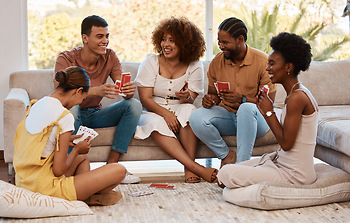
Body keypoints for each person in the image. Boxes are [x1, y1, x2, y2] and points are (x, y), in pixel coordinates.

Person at [13, 66, 126, 205]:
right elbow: (58, 170)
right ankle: (83, 198)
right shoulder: (64, 116)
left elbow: (41, 142)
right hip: (44, 187)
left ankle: (83, 195)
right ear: (78, 91)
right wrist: (77, 149)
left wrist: (67, 141)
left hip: (25, 181)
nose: (80, 103)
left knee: (82, 160)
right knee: (119, 170)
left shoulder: (37, 104)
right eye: (83, 98)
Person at [217, 32, 318, 188]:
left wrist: (268, 112)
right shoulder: (294, 93)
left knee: (226, 174)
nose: (267, 68)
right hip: (282, 164)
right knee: (226, 173)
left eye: (272, 64)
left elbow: (286, 144)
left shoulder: (297, 97)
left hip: (294, 174)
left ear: (288, 67)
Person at [54, 15, 142, 184]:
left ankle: (112, 166)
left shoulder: (109, 56)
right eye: (100, 36)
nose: (105, 41)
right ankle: (69, 170)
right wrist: (94, 91)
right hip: (74, 112)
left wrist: (128, 91)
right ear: (85, 38)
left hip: (96, 114)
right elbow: (62, 93)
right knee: (72, 110)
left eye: (107, 36)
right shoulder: (66, 59)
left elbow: (123, 89)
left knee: (134, 105)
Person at [134, 17, 218, 183]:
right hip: (152, 108)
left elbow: (191, 100)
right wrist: (167, 114)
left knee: (190, 112)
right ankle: (195, 167)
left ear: (185, 43)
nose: (166, 44)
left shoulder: (195, 65)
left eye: (172, 40)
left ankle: (188, 168)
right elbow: (145, 99)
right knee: (156, 122)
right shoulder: (151, 62)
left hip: (179, 106)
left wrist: (187, 97)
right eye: (163, 39)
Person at [189, 17, 276, 167]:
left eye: (225, 42)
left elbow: (269, 103)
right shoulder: (217, 62)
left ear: (240, 39)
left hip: (257, 119)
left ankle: (242, 166)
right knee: (196, 117)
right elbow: (214, 96)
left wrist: (242, 99)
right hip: (229, 117)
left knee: (246, 108)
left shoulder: (262, 61)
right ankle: (226, 155)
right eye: (219, 42)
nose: (221, 46)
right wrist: (210, 100)